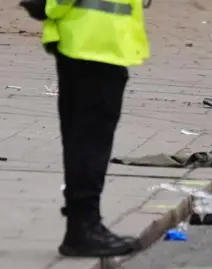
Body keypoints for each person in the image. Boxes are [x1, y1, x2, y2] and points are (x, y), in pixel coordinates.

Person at [38, 0, 150, 257]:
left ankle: (86, 224)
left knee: (87, 140)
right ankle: (83, 228)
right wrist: (49, 7)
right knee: (89, 143)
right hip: (91, 44)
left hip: (94, 43)